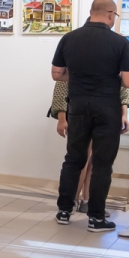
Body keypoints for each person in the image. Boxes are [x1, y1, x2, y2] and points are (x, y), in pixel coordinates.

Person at [52, 0, 129, 232]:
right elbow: (127, 81)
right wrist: (110, 79)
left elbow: (56, 74)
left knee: (73, 160)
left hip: (77, 106)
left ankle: (64, 211)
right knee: (102, 163)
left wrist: (78, 77)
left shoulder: (69, 38)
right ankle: (96, 218)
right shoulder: (120, 42)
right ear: (110, 14)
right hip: (107, 109)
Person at [50, 81, 128, 215]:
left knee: (96, 159)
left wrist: (124, 114)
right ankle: (74, 200)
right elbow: (61, 86)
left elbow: (123, 89)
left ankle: (85, 201)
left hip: (103, 113)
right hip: (82, 111)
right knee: (82, 158)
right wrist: (62, 118)